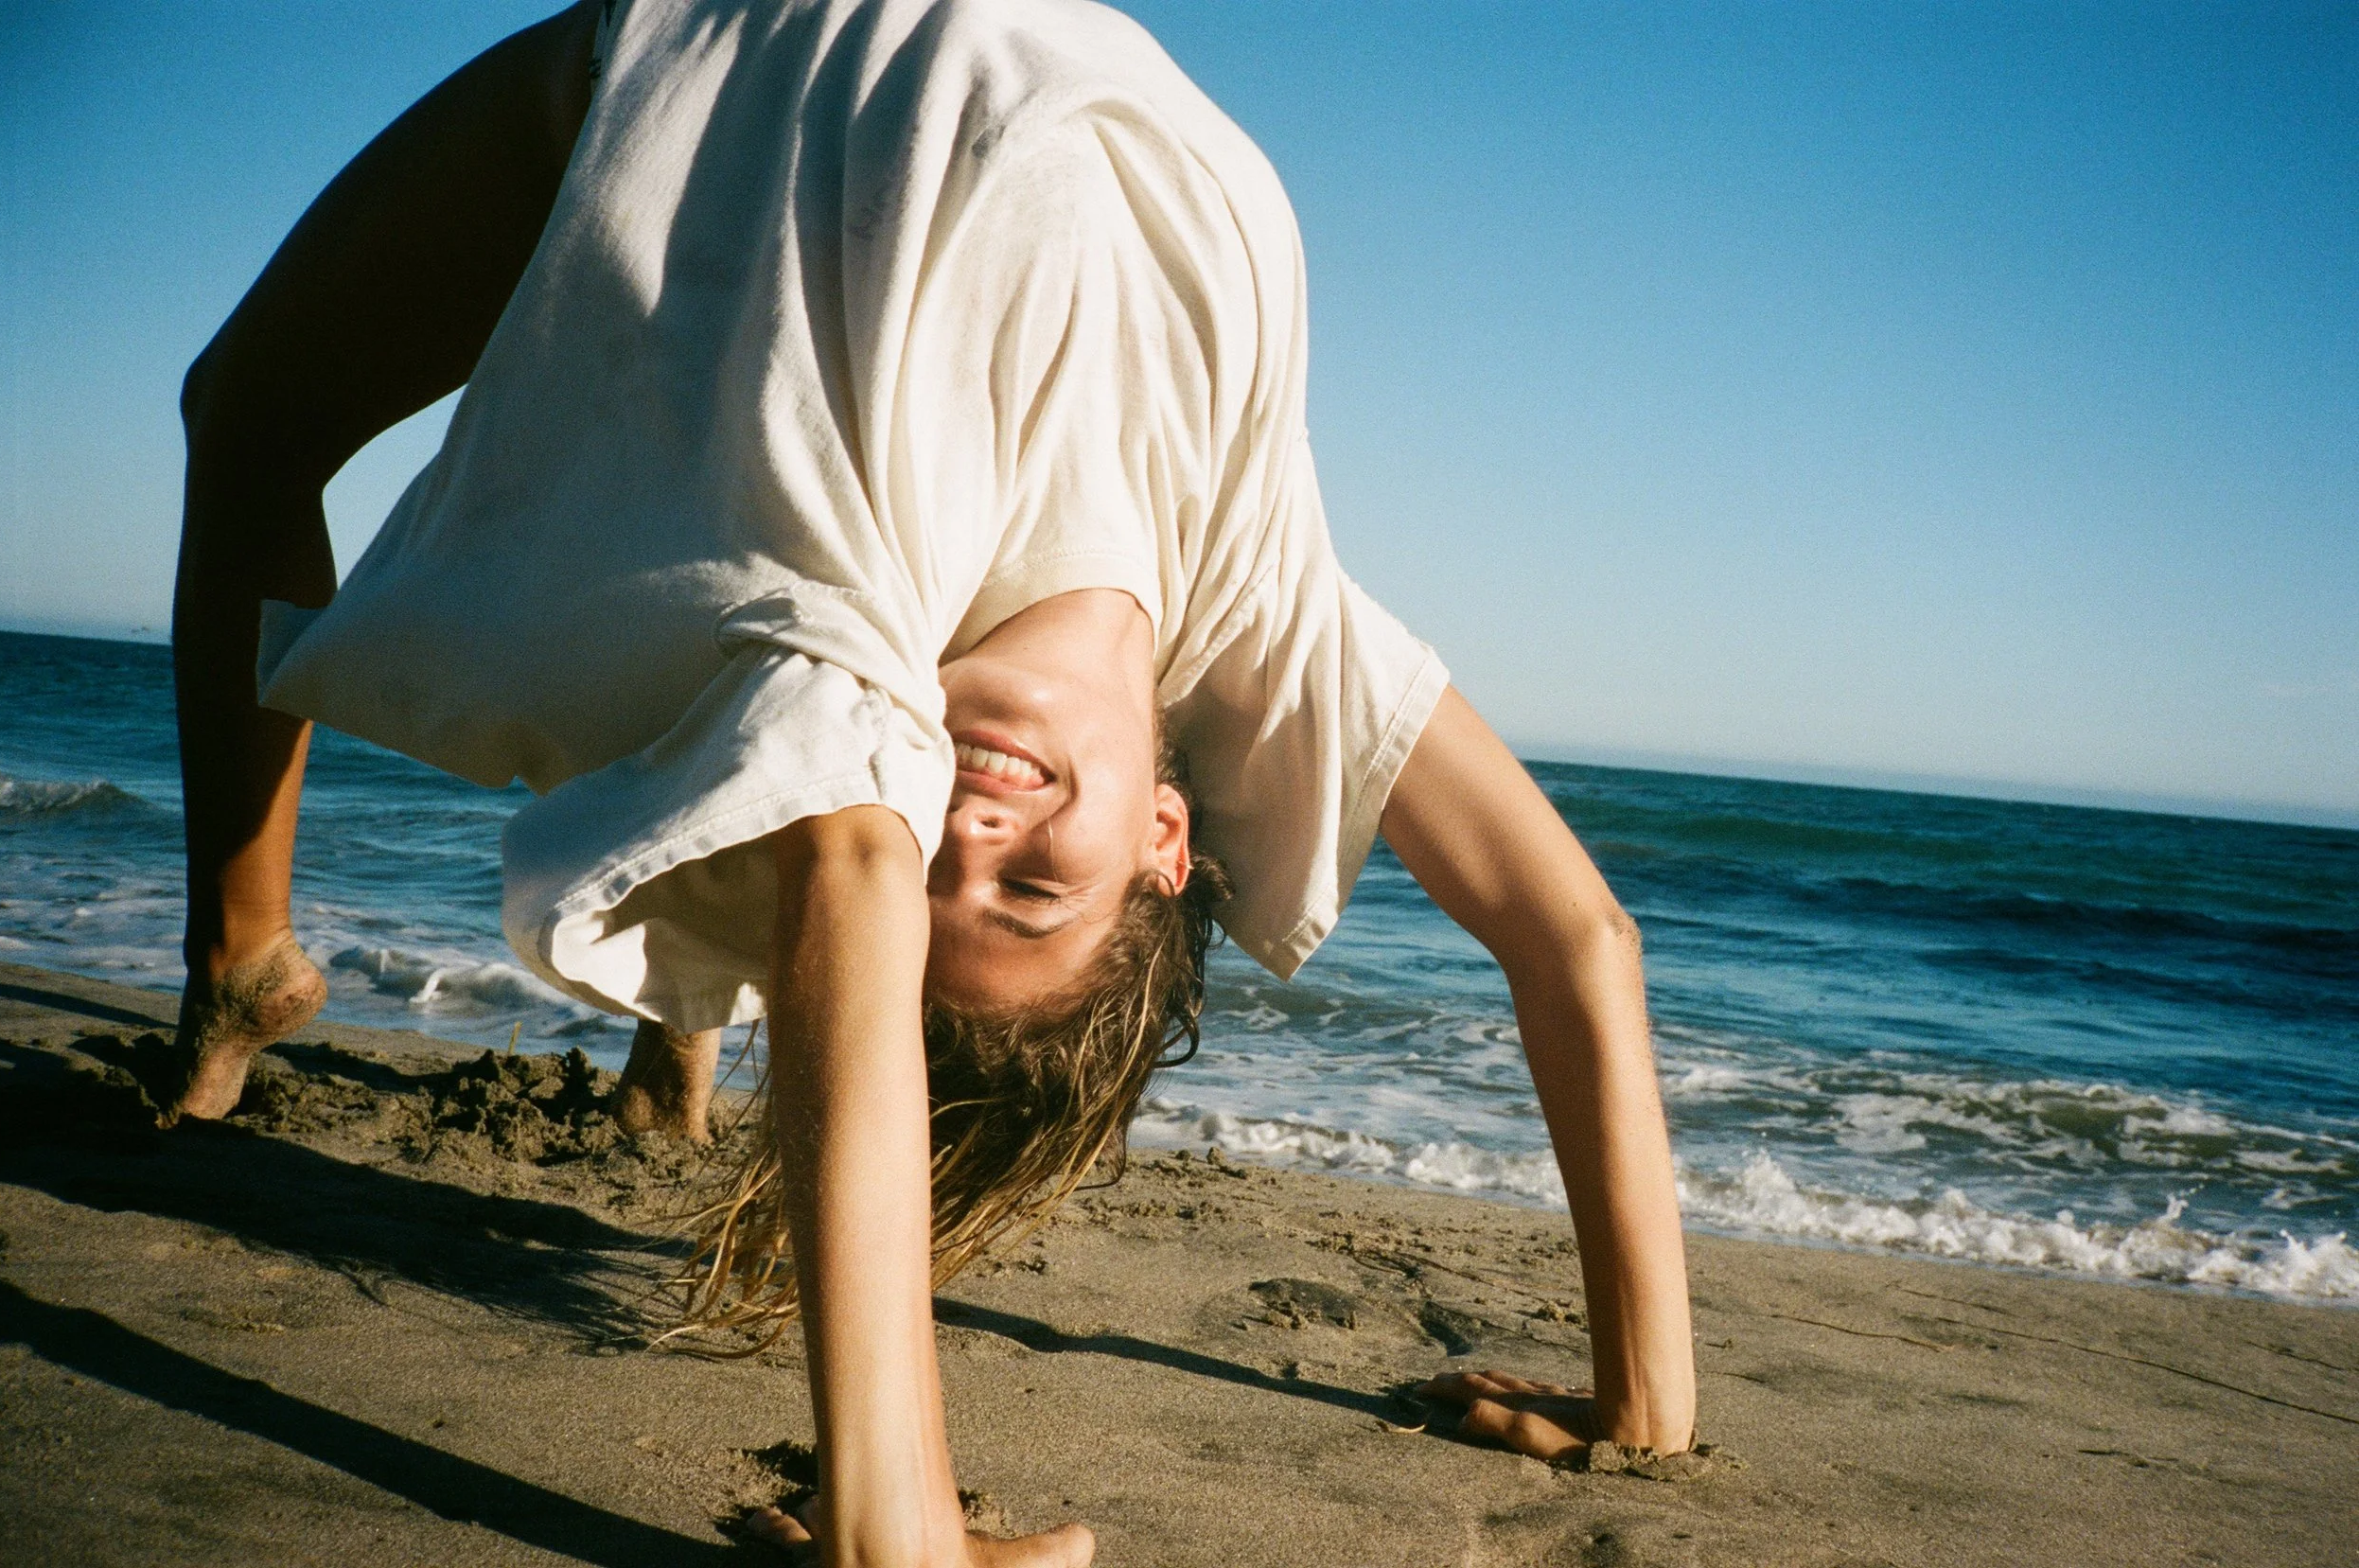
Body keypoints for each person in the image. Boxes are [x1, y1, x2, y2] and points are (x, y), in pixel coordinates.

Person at [166, 1, 1698, 1561]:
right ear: (1169, 838)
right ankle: (617, 1030)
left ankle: (238, 951)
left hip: (723, 60)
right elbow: (1574, 932)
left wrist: (895, 1527)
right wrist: (1646, 1404)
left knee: (244, 410)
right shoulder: (1260, 600)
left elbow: (846, 854)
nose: (970, 831)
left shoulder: (868, 623)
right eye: (1035, 889)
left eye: (933, 878)